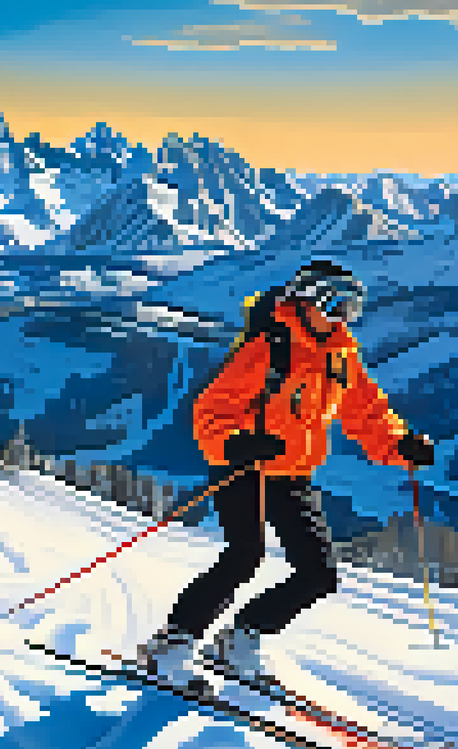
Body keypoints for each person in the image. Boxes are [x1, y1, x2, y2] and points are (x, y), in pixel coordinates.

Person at [138, 260, 436, 691]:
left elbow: (366, 413)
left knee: (318, 574)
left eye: (352, 308)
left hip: (293, 471)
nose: (343, 317)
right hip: (245, 465)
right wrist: (236, 444)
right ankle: (171, 644)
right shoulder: (268, 347)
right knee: (245, 555)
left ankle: (240, 639)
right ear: (308, 298)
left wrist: (399, 443)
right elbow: (211, 410)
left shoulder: (341, 354)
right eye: (336, 305)